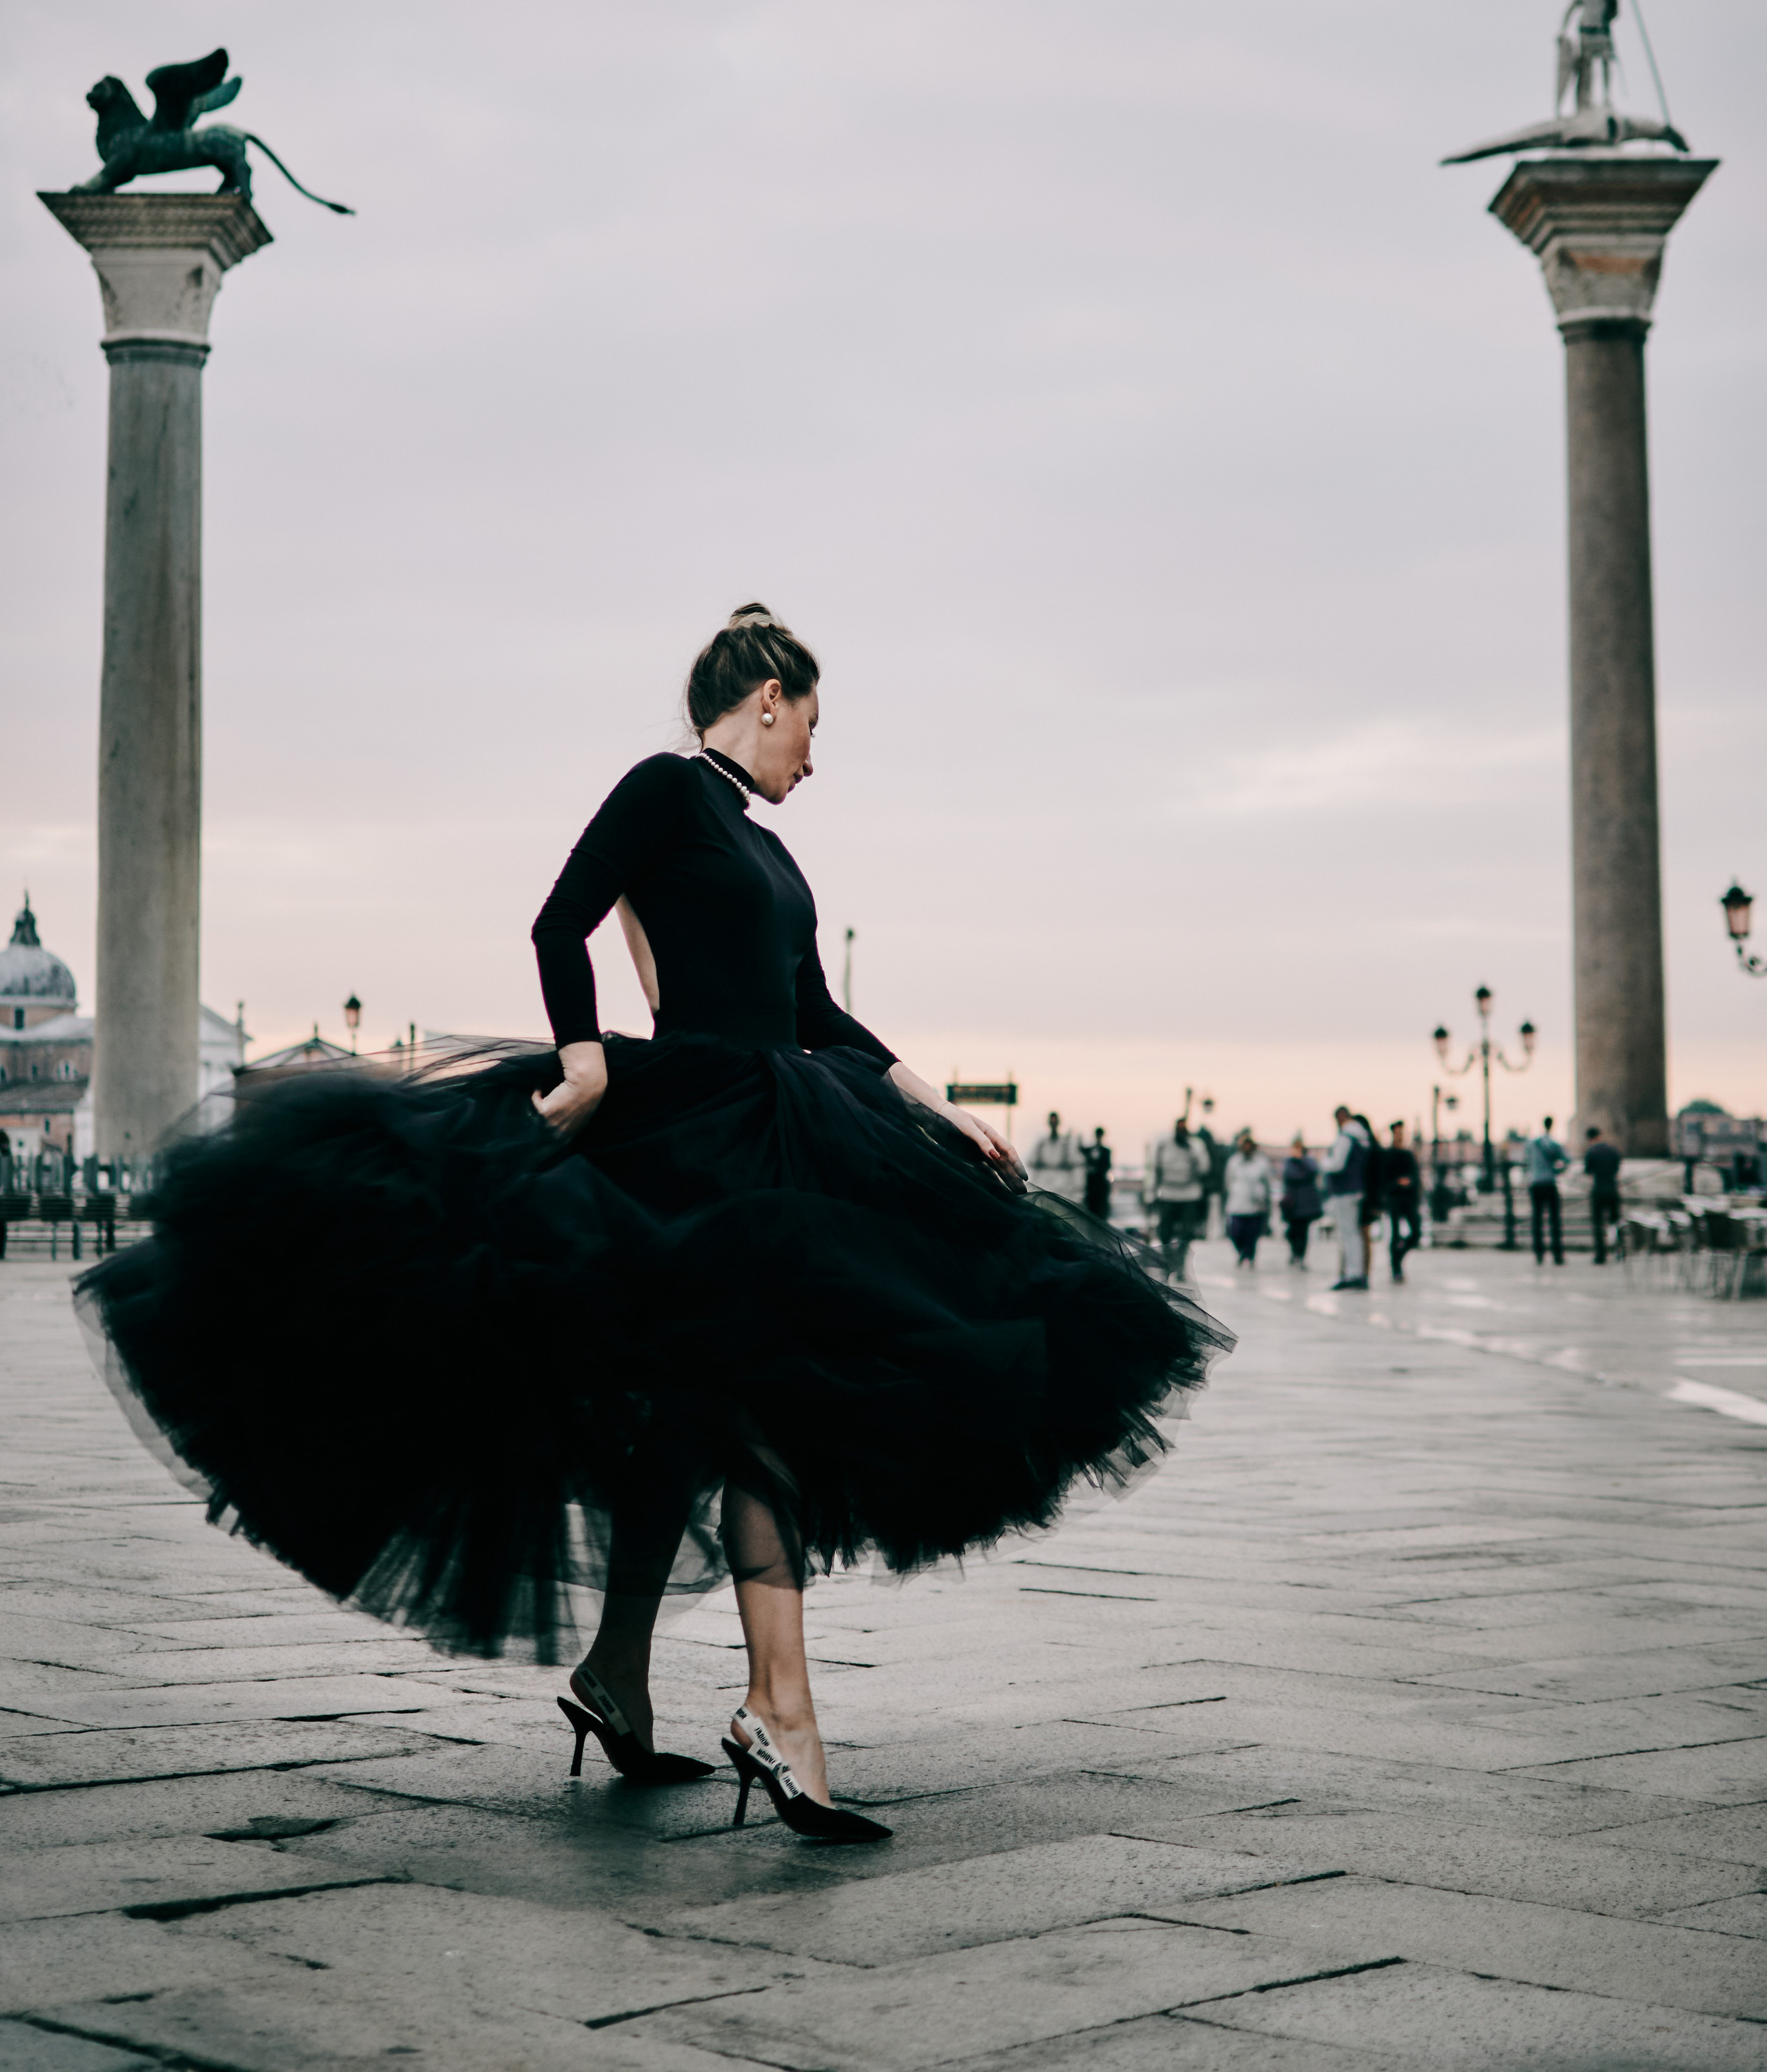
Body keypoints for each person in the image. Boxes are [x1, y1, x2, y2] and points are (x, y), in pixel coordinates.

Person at [75, 603, 1230, 1848]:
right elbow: (558, 917)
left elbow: (816, 1009)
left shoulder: (767, 846)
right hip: (695, 1129)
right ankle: (779, 1712)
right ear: (771, 694)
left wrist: (947, 1109)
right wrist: (581, 1057)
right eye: (813, 727)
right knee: (761, 1411)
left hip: (783, 1116)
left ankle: (619, 1674)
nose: (814, 760)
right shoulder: (669, 789)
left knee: (696, 1420)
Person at [1146, 1118, 1208, 1282]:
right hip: (1167, 1193)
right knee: (1165, 1233)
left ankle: (1180, 1264)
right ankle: (1167, 1261)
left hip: (1190, 1194)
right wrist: (1151, 1193)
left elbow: (1204, 1168)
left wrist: (1193, 1153)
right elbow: (1155, 1169)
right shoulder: (1164, 1144)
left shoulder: (1196, 1145)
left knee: (1187, 1233)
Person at [1320, 1106, 1373, 1289]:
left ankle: (1353, 1274)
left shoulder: (1346, 1137)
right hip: (1357, 1188)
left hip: (1345, 1190)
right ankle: (1356, 1273)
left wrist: (1324, 1162)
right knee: (1354, 1234)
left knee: (1348, 1234)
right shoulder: (1362, 1137)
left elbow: (1336, 1164)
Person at [1222, 1131, 1274, 1268]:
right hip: (1238, 1203)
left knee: (1252, 1235)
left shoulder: (1261, 1163)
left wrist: (1265, 1199)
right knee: (1236, 1232)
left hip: (1256, 1206)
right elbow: (1228, 1181)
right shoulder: (1234, 1162)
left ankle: (1249, 1256)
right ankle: (1241, 1252)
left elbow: (1267, 1183)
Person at [1526, 1116, 1570, 1266]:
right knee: (1555, 1220)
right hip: (1550, 1183)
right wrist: (1557, 1170)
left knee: (1537, 1220)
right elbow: (1567, 1160)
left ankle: (1539, 1253)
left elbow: (1526, 1161)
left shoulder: (1532, 1144)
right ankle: (1557, 1254)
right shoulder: (1555, 1144)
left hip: (1535, 1183)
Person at [1384, 1121, 1422, 1282]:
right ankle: (1396, 1267)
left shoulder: (1409, 1154)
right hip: (1394, 1198)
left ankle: (1398, 1256)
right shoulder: (1388, 1154)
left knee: (1416, 1233)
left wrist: (1410, 1182)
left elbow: (1415, 1176)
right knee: (1395, 1233)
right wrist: (1396, 1183)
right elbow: (1383, 1178)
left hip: (1409, 1199)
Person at [1025, 1111, 1085, 1207]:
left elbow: (1078, 1162)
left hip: (1062, 1186)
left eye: (1055, 1122)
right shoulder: (1042, 1143)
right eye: (1052, 1122)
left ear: (1058, 1123)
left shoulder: (1066, 1144)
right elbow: (1031, 1161)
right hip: (1044, 1184)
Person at [1583, 1125, 1623, 1265]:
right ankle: (1620, 1251)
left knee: (1598, 1224)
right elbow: (1617, 1167)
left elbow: (1588, 1171)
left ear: (1589, 1138)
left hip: (1598, 1190)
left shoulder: (1591, 1152)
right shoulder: (1612, 1150)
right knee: (1616, 1222)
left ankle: (1601, 1255)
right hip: (1613, 1189)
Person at [1279, 1137, 1321, 1266]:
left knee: (1303, 1231)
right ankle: (1294, 1252)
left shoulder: (1309, 1161)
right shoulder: (1288, 1162)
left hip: (1306, 1203)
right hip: (1292, 1203)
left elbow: (1314, 1171)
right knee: (1292, 1231)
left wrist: (1302, 1159)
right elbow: (1290, 1175)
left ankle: (1301, 1254)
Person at [1080, 1126, 1113, 1224]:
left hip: (1099, 1185)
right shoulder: (1093, 1150)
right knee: (1092, 1210)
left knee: (1099, 1210)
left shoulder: (1105, 1151)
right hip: (1093, 1185)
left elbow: (1107, 1166)